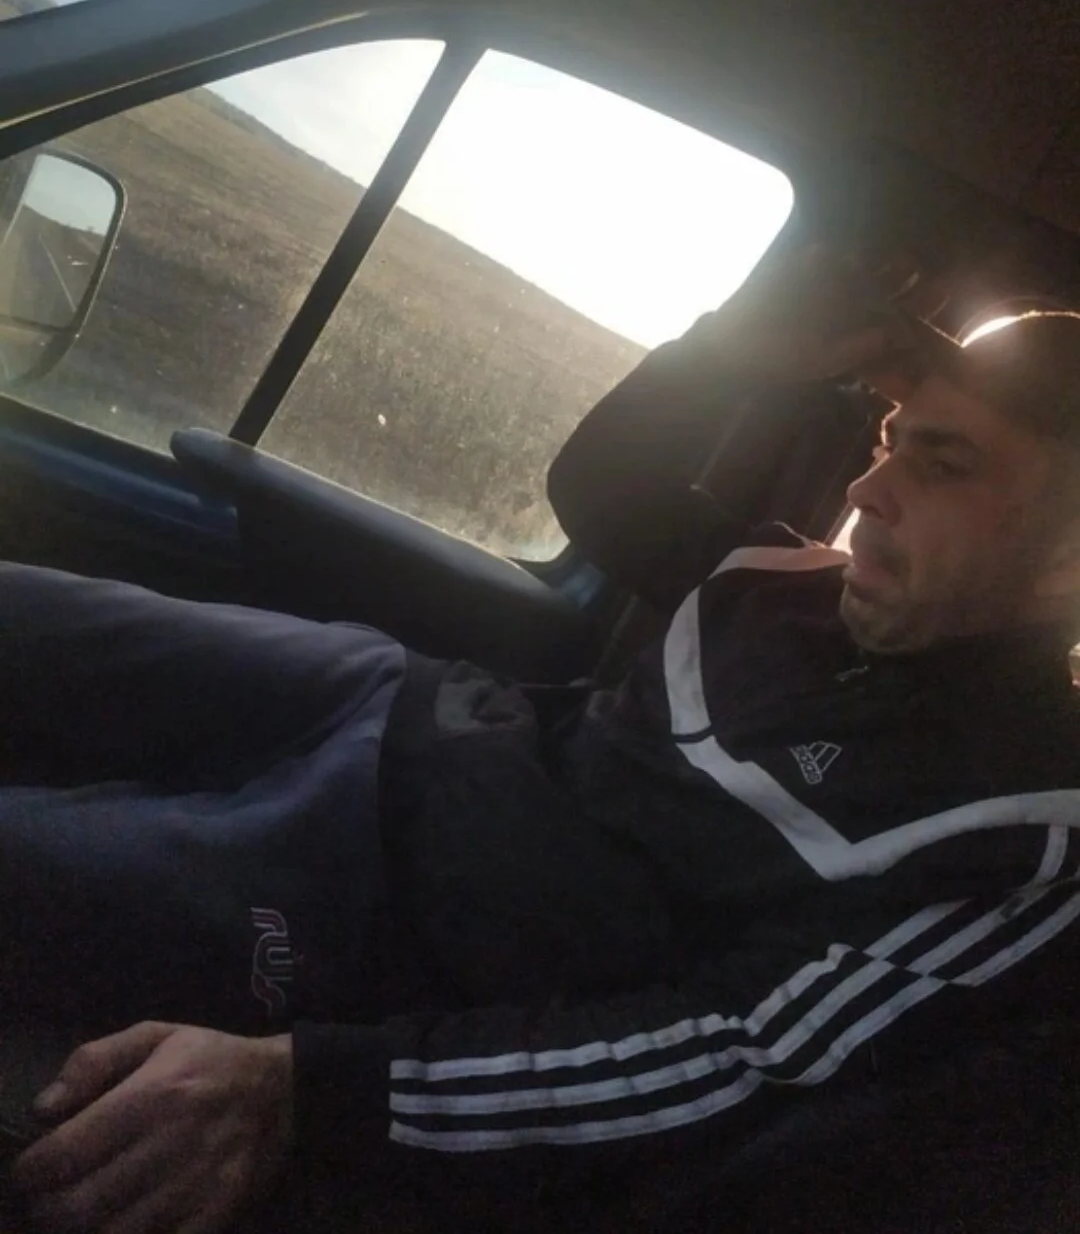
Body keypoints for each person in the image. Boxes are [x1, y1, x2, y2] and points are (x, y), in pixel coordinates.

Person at [2, 246, 1080, 1234]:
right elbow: (605, 489)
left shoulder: (1018, 827)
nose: (865, 489)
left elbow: (738, 1051)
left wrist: (313, 1087)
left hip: (384, 899)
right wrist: (726, 354)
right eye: (889, 442)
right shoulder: (786, 576)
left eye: (943, 466)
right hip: (391, 702)